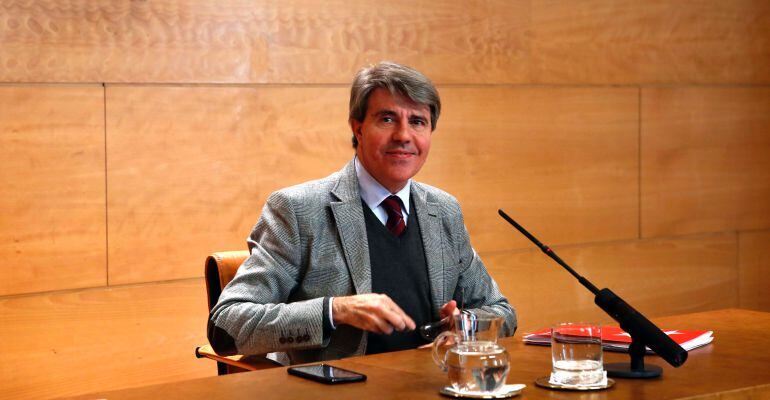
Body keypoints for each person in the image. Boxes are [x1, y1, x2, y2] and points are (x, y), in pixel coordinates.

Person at [208, 61, 516, 365]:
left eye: (418, 122)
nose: (403, 135)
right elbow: (227, 326)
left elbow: (501, 312)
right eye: (387, 119)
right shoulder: (299, 210)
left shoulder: (444, 209)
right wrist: (336, 310)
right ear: (358, 128)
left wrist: (464, 328)